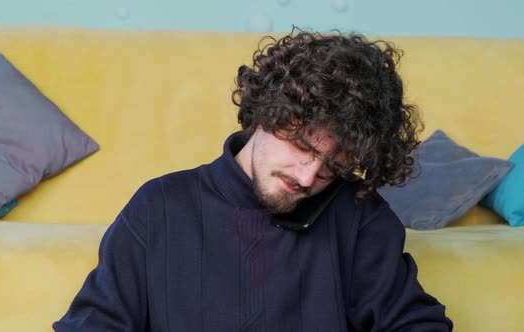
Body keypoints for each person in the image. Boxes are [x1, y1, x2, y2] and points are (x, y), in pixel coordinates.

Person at [53, 28, 453, 331]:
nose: (310, 175)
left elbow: (415, 324)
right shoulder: (159, 206)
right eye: (303, 147)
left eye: (335, 165)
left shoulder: (361, 219)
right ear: (267, 112)